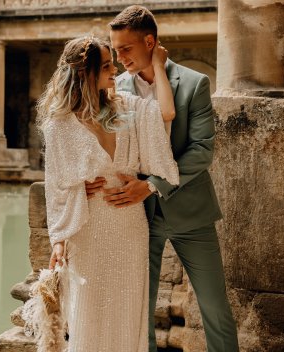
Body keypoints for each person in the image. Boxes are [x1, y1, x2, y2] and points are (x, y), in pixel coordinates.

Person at [85, 5, 240, 352]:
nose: (119, 57)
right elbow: (97, 139)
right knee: (139, 312)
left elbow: (201, 150)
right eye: (115, 49)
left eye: (126, 48)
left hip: (192, 215)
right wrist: (84, 179)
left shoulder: (195, 83)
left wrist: (152, 184)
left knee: (215, 309)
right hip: (135, 217)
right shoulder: (114, 88)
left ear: (150, 42)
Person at [38, 35, 179, 351]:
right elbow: (56, 186)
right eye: (105, 66)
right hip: (88, 231)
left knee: (128, 314)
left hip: (129, 227)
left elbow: (166, 113)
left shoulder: (127, 107)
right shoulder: (60, 125)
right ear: (85, 73)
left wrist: (148, 187)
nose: (115, 69)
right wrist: (59, 240)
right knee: (89, 315)